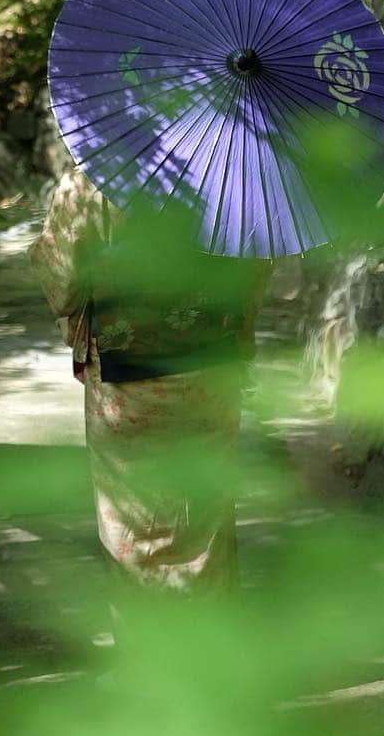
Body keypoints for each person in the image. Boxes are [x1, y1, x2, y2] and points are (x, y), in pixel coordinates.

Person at [28, 165, 271, 603]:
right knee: (204, 512)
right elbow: (256, 266)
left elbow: (61, 280)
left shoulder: (93, 174)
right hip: (210, 366)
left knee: (132, 516)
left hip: (125, 373)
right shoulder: (235, 166)